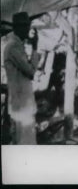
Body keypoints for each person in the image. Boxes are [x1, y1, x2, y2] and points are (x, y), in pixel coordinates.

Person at [2, 12, 39, 144]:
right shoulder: (13, 46)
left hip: (21, 103)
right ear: (16, 28)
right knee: (26, 144)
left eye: (27, 26)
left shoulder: (16, 45)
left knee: (21, 143)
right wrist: (35, 48)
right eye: (25, 26)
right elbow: (30, 71)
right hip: (22, 105)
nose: (28, 30)